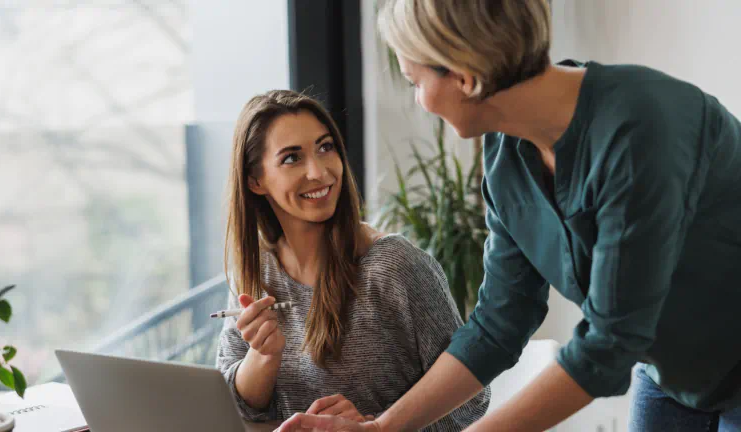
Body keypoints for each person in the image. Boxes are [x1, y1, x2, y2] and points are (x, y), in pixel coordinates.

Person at [277, 1, 741, 431]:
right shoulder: (507, 154)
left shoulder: (642, 127)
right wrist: (382, 427)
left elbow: (609, 345)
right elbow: (499, 324)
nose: (419, 100)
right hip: (672, 373)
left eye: (416, 82)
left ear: (465, 76)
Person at [216, 90, 489, 431]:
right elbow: (235, 405)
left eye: (325, 147)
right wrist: (263, 356)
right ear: (255, 181)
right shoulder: (257, 272)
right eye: (291, 158)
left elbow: (472, 401)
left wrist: (373, 426)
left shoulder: (395, 267)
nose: (319, 171)